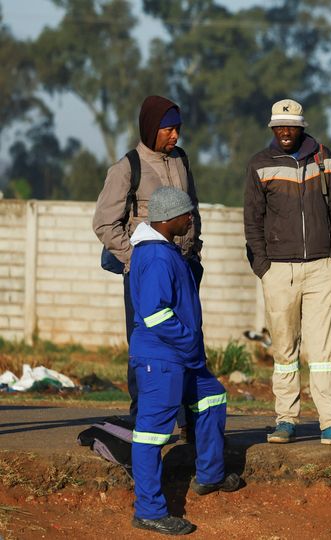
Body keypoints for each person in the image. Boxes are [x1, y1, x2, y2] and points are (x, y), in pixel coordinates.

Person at [243, 98, 331, 449]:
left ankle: (330, 423)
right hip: (278, 270)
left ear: (302, 127)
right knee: (284, 350)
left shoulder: (324, 158)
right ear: (273, 129)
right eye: (279, 127)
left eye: (291, 126)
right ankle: (285, 419)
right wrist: (263, 266)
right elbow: (252, 220)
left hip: (322, 268)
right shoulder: (260, 164)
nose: (285, 132)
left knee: (323, 353)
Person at [128, 187, 240, 536]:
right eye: (186, 214)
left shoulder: (165, 251)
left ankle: (209, 475)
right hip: (162, 358)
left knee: (212, 397)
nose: (191, 220)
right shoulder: (158, 257)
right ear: (168, 218)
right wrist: (190, 339)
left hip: (182, 358)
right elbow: (154, 315)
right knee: (151, 434)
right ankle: (149, 510)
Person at [93, 95, 202, 431]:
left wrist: (195, 252)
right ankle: (143, 420)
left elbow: (192, 209)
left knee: (187, 340)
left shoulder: (181, 160)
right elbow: (104, 223)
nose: (175, 136)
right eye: (169, 130)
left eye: (178, 129)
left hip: (183, 269)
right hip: (146, 275)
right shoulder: (127, 167)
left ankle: (186, 421)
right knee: (147, 346)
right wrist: (134, 260)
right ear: (151, 128)